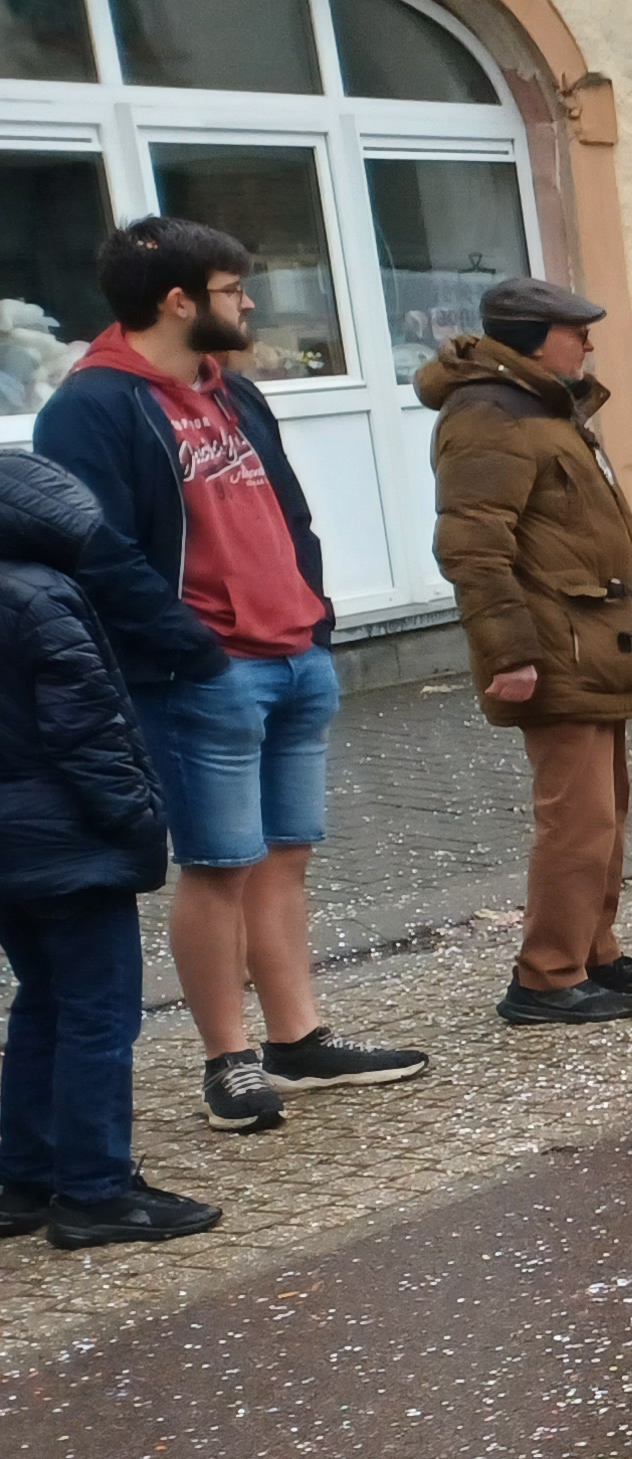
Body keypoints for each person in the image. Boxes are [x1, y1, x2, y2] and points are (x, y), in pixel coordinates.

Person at [33, 217, 423, 1129]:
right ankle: (229, 1060)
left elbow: (292, 514)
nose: (247, 302)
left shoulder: (231, 392)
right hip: (199, 675)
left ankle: (299, 1036)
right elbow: (95, 550)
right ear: (178, 301)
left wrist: (315, 618)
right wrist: (190, 647)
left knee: (286, 855)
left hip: (293, 656)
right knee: (217, 866)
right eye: (231, 287)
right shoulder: (93, 406)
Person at [421, 275, 632, 1021]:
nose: (591, 344)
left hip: (597, 642)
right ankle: (545, 976)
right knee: (575, 818)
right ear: (537, 340)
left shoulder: (545, 408)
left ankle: (592, 951)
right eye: (579, 332)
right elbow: (473, 546)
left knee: (605, 813)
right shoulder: (488, 414)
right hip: (554, 646)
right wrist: (508, 654)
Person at [0, 450, 214, 1248]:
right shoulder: (44, 596)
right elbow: (90, 734)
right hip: (67, 842)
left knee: (42, 1001)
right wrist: (137, 820)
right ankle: (93, 1191)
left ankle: (22, 1177)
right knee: (97, 1011)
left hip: (12, 851)